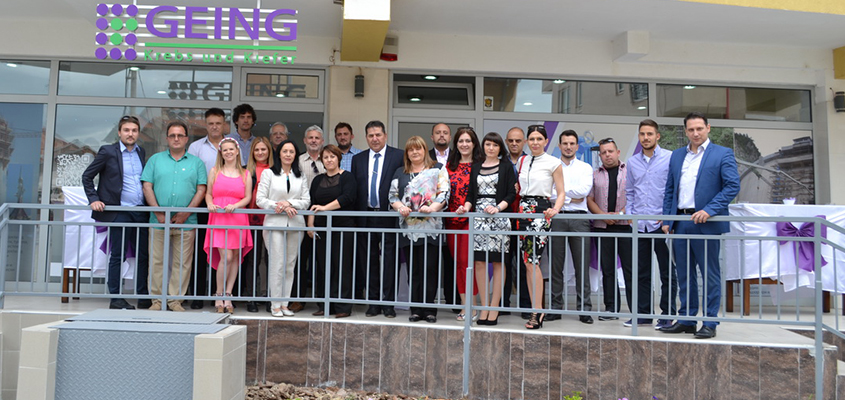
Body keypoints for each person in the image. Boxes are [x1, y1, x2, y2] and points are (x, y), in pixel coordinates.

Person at [660, 112, 740, 339]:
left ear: (708, 128)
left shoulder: (722, 153)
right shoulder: (677, 155)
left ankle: (710, 322)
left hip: (707, 222)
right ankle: (686, 319)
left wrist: (709, 210)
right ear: (685, 131)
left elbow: (732, 186)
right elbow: (670, 189)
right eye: (691, 129)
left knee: (710, 275)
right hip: (681, 222)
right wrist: (667, 220)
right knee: (684, 274)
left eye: (699, 129)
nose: (695, 133)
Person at [81, 115, 149, 310]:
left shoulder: (141, 152)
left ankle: (143, 296)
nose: (130, 134)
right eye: (126, 130)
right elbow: (87, 176)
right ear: (119, 133)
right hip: (119, 211)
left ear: (138, 133)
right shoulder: (108, 151)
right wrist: (94, 199)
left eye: (134, 130)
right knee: (118, 255)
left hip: (140, 211)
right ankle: (116, 298)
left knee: (143, 255)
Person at [141, 121, 207, 311]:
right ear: (167, 138)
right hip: (158, 221)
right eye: (172, 135)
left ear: (186, 139)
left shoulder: (197, 163)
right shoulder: (155, 160)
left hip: (187, 222)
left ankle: (175, 300)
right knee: (157, 261)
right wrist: (158, 212)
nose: (176, 139)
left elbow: (201, 190)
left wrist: (185, 213)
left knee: (182, 263)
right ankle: (157, 300)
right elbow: (147, 186)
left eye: (180, 135)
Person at [388, 136, 449, 323]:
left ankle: (429, 310)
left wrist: (433, 208)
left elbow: (444, 192)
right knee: (413, 270)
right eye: (411, 149)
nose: (415, 152)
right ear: (407, 153)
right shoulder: (400, 172)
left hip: (431, 228)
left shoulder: (438, 168)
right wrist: (400, 207)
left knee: (430, 269)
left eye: (418, 149)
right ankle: (415, 310)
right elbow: (392, 196)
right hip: (409, 230)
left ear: (424, 150)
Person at [459, 132, 516, 326]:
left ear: (500, 148)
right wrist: (465, 207)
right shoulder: (476, 167)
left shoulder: (506, 167)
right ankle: (484, 307)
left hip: (499, 218)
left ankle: (494, 307)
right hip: (479, 219)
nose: (491, 148)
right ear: (483, 146)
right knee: (480, 262)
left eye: (495, 145)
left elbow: (511, 194)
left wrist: (498, 208)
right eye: (488, 144)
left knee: (499, 262)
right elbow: (470, 195)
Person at [626, 119, 677, 330]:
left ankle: (667, 315)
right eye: (642, 134)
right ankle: (644, 315)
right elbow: (630, 191)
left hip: (661, 224)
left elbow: (674, 189)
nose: (645, 138)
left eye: (649, 134)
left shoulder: (670, 158)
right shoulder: (632, 162)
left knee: (667, 272)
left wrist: (668, 217)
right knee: (641, 272)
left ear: (657, 136)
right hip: (639, 225)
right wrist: (630, 215)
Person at [351, 120, 404, 318]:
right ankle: (373, 302)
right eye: (371, 135)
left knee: (390, 261)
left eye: (378, 135)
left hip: (389, 215)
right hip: (366, 215)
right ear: (366, 137)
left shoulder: (398, 156)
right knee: (369, 260)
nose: (375, 139)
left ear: (385, 136)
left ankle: (389, 303)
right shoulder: (358, 159)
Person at [515, 124, 565, 329]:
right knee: (528, 262)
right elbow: (519, 186)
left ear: (546, 141)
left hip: (540, 210)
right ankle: (535, 309)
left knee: (533, 261)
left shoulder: (553, 162)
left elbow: (561, 192)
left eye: (539, 139)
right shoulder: (522, 160)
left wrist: (555, 209)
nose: (535, 142)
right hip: (522, 210)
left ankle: (538, 310)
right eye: (532, 139)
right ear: (527, 141)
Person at [256, 139, 311, 317]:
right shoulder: (269, 173)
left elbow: (306, 201)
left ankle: (285, 304)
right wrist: (278, 206)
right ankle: (275, 304)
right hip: (274, 223)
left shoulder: (300, 175)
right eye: (285, 151)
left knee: (289, 265)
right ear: (279, 154)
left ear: (295, 155)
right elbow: (260, 199)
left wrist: (289, 203)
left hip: (295, 224)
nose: (288, 154)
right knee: (277, 264)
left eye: (291, 152)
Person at [547, 130, 594, 324]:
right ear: (559, 146)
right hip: (556, 217)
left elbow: (584, 191)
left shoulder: (585, 167)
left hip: (579, 218)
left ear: (577, 146)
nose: (568, 147)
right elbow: (548, 193)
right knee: (555, 266)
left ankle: (584, 310)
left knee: (582, 265)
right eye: (565, 143)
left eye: (572, 143)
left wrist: (561, 195)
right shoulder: (552, 166)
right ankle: (555, 308)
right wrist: (569, 198)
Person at [587, 138, 635, 322]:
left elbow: (636, 196)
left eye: (610, 151)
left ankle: (636, 310)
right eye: (604, 152)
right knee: (607, 270)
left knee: (630, 269)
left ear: (618, 152)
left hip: (626, 227)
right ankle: (611, 309)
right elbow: (590, 199)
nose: (607, 155)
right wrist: (602, 215)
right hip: (603, 227)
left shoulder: (630, 172)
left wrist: (621, 213)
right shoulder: (595, 175)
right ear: (600, 155)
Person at [204, 137, 254, 313]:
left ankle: (228, 294)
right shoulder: (214, 171)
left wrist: (236, 205)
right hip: (219, 217)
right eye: (225, 150)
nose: (228, 152)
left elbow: (248, 197)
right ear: (221, 152)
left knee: (234, 258)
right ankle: (219, 294)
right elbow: (208, 193)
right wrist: (209, 203)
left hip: (237, 217)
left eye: (231, 149)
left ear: (237, 151)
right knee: (226, 257)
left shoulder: (245, 174)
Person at [307, 144, 357, 318]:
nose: (329, 160)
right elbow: (312, 203)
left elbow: (347, 198)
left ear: (338, 158)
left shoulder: (347, 177)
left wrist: (324, 208)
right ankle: (324, 305)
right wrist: (310, 225)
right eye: (326, 157)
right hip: (321, 229)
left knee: (342, 266)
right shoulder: (317, 180)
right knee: (323, 267)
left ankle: (342, 307)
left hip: (343, 228)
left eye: (332, 156)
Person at [187, 107, 226, 310]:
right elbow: (191, 175)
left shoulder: (231, 146)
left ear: (224, 124)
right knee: (201, 251)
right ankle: (197, 294)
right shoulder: (195, 147)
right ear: (206, 125)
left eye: (218, 123)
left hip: (225, 206)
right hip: (203, 204)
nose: (214, 127)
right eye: (211, 123)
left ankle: (217, 294)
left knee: (221, 253)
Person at [445, 127, 483, 321]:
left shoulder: (481, 165)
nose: (464, 144)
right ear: (456, 144)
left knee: (468, 263)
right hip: (452, 220)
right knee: (458, 264)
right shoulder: (449, 166)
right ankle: (464, 305)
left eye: (468, 141)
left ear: (474, 143)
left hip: (472, 220)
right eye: (461, 141)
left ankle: (473, 307)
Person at [291, 125, 326, 311]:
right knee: (299, 259)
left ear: (322, 141)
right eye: (310, 137)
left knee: (321, 261)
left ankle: (322, 301)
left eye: (317, 138)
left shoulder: (328, 160)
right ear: (305, 141)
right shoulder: (296, 161)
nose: (313, 140)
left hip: (322, 216)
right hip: (300, 216)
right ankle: (298, 298)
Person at [242, 137, 274, 313]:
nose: (260, 153)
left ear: (269, 151)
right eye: (257, 150)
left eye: (263, 149)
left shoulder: (275, 170)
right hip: (251, 219)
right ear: (252, 153)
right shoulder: (246, 171)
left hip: (271, 219)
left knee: (270, 260)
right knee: (252, 260)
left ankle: (270, 297)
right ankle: (251, 297)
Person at [428, 122, 456, 310]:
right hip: (430, 214)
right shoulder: (426, 156)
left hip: (453, 213)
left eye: (445, 132)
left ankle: (453, 300)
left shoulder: (457, 156)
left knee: (452, 257)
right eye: (438, 133)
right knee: (430, 259)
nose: (441, 135)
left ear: (450, 137)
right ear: (432, 137)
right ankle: (428, 302)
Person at [505, 127, 529, 315]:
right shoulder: (500, 161)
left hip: (524, 218)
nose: (514, 144)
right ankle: (502, 304)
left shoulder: (531, 161)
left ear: (524, 142)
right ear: (506, 142)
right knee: (504, 262)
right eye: (511, 140)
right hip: (504, 218)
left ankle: (526, 305)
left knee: (524, 263)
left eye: (518, 140)